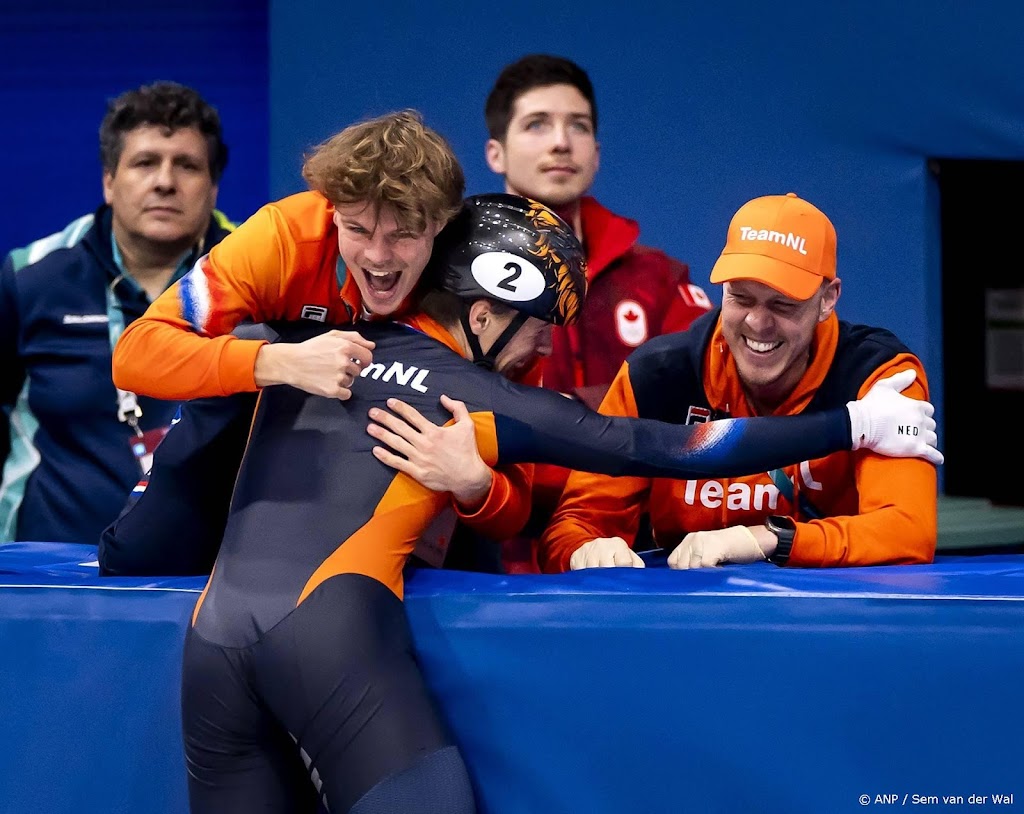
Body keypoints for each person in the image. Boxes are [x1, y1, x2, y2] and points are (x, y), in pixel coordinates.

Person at [119, 194, 936, 812]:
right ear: (482, 313)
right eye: (534, 332)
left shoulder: (312, 350)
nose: (541, 354)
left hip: (211, 649)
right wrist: (855, 422)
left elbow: (176, 393)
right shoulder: (474, 397)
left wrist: (473, 486)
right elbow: (670, 448)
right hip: (327, 646)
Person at [541, 192, 942, 571]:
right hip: (686, 620)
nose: (757, 323)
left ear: (828, 298)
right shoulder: (657, 376)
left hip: (832, 623)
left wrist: (767, 540)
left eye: (783, 304)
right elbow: (574, 526)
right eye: (741, 298)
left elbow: (908, 532)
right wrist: (585, 550)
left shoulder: (881, 378)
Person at [482, 53, 714, 564]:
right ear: (495, 153)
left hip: (638, 558)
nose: (561, 141)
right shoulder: (452, 278)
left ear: (598, 151)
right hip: (494, 561)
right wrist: (622, 413)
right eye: (537, 124)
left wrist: (549, 415)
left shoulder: (659, 279)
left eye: (578, 126)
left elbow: (706, 403)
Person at [0, 80, 232, 544]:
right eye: (145, 162)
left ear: (213, 188)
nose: (165, 181)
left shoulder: (256, 276)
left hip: (205, 572)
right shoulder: (31, 277)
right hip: (48, 570)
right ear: (109, 181)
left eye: (186, 165)